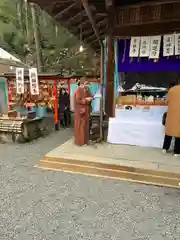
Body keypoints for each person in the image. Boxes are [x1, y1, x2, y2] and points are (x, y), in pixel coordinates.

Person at [162, 81, 180, 156]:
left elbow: (166, 101)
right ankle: (177, 152)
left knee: (169, 131)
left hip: (172, 114)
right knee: (178, 133)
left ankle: (165, 148)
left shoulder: (172, 89)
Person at [74, 78, 93, 145]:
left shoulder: (87, 89)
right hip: (81, 111)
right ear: (82, 83)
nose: (87, 85)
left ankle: (85, 141)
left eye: (87, 84)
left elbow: (91, 96)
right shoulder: (78, 90)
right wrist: (86, 100)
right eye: (86, 83)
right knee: (81, 127)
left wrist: (90, 98)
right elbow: (78, 100)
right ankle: (80, 142)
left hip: (86, 111)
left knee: (86, 126)